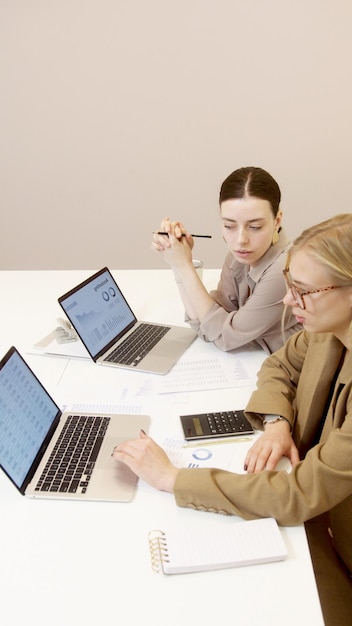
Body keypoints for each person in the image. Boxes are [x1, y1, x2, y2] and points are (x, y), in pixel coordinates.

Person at [113, 214, 352, 620]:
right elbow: (279, 366)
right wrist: (277, 421)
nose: (289, 300)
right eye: (291, 284)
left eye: (305, 291)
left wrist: (173, 478)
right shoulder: (326, 331)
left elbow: (298, 496)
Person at [151, 166, 301, 354]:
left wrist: (184, 265)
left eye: (254, 227)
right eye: (229, 226)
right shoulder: (238, 258)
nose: (240, 240)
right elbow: (207, 327)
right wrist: (177, 263)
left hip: (296, 374)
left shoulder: (285, 269)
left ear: (277, 220)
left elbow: (224, 337)